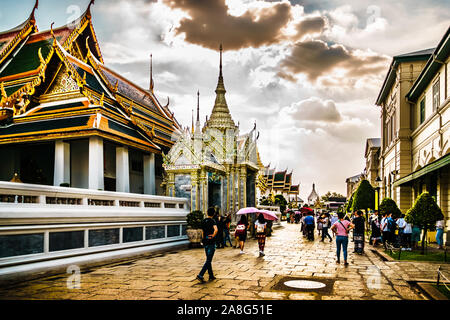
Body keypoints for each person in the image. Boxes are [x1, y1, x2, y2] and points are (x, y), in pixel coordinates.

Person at [196, 207, 218, 283]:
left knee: (208, 259)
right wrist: (213, 235)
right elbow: (216, 230)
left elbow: (202, 232)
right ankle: (200, 275)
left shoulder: (203, 221)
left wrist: (203, 239)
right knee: (208, 260)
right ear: (213, 214)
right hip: (211, 241)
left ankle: (211, 275)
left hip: (205, 241)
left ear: (207, 212)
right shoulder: (213, 221)